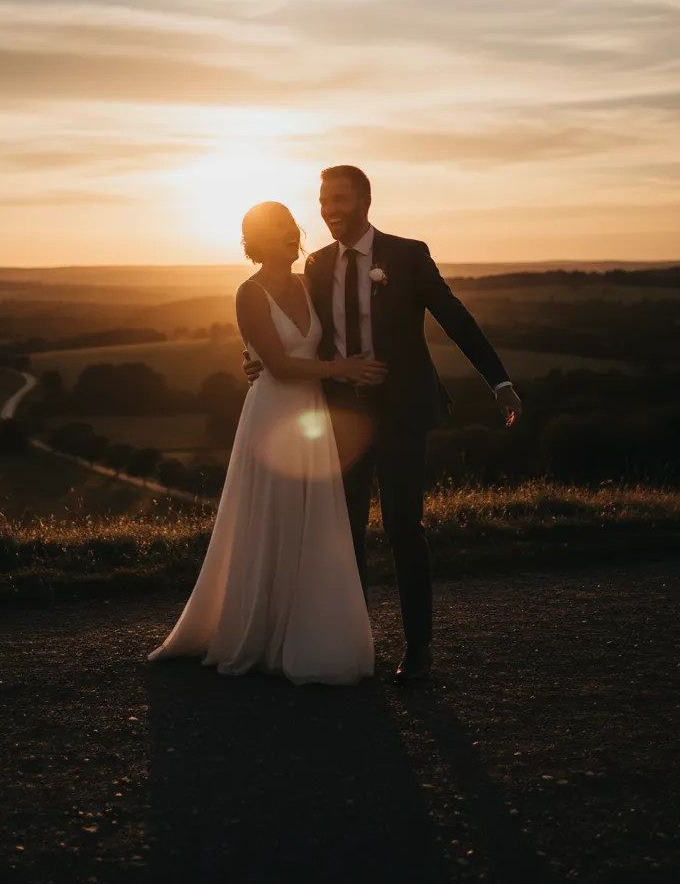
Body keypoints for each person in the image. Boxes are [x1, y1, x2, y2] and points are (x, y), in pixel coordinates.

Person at [244, 167, 523, 684]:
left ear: (365, 201)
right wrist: (262, 359)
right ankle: (354, 646)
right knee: (343, 533)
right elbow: (301, 329)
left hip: (400, 413)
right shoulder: (318, 265)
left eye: (340, 200)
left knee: (403, 529)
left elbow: (456, 318)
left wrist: (498, 381)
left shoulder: (408, 254)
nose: (329, 209)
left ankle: (419, 649)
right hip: (340, 416)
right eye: (324, 200)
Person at [148, 201, 385, 685]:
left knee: (309, 521)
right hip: (272, 414)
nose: (288, 234)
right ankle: (258, 631)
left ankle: (303, 629)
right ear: (257, 239)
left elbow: (319, 338)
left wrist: (256, 356)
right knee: (271, 516)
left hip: (310, 417)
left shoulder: (307, 283)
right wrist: (338, 368)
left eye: (289, 226)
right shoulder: (248, 291)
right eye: (276, 228)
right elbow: (277, 363)